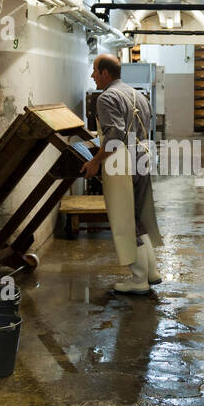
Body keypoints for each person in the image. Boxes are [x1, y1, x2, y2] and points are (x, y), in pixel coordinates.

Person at [80, 53, 163, 294]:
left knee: (124, 219)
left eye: (95, 71)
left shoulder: (107, 98)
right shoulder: (138, 94)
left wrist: (95, 161)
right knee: (138, 216)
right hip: (142, 158)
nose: (92, 76)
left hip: (122, 163)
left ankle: (138, 280)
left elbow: (115, 135)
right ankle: (151, 271)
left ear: (105, 73)